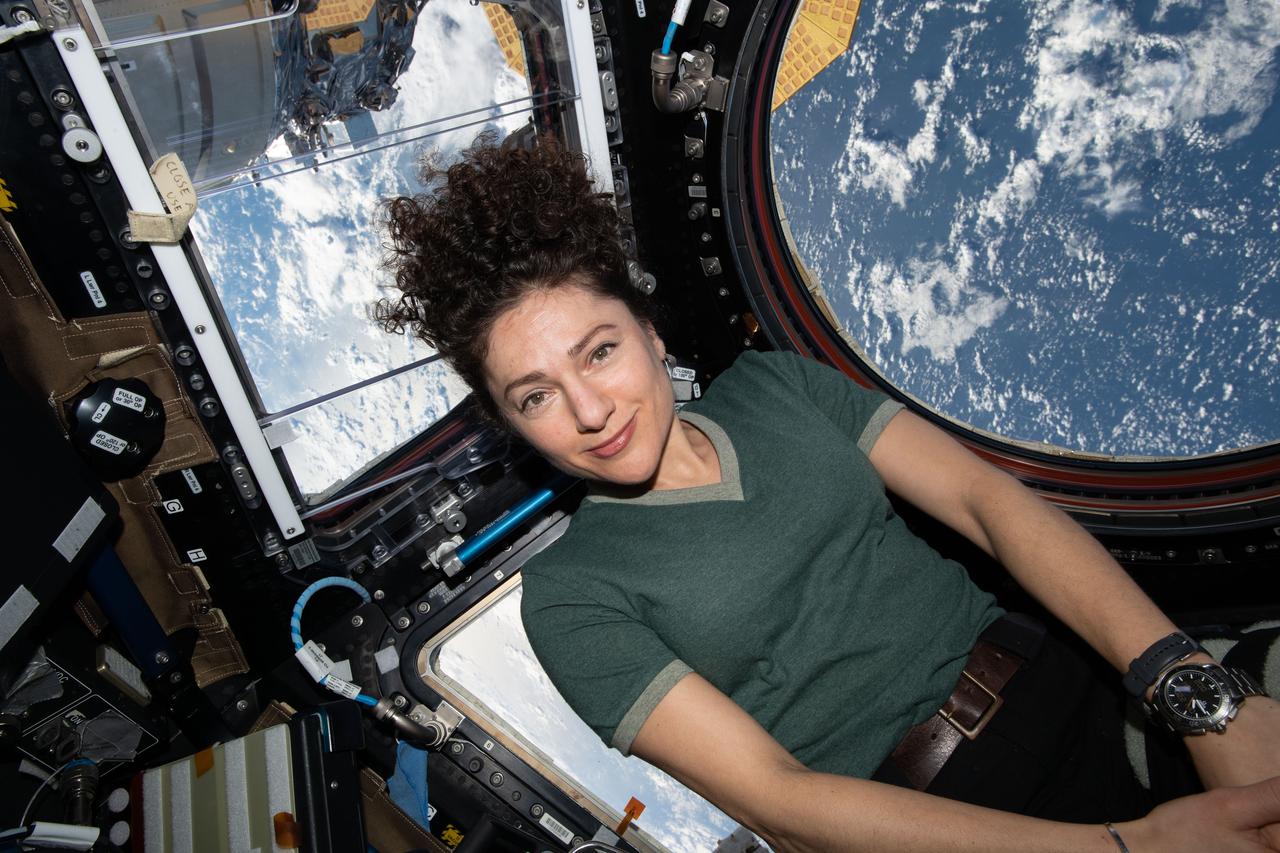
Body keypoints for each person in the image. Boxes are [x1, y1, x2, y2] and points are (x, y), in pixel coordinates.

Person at [375, 131, 1280, 851]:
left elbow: (989, 506)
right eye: (535, 396)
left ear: (650, 334)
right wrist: (1126, 847)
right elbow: (784, 798)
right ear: (514, 426)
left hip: (1087, 688)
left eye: (599, 350)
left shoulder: (779, 387)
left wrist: (1192, 687)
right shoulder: (570, 595)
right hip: (954, 819)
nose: (588, 408)